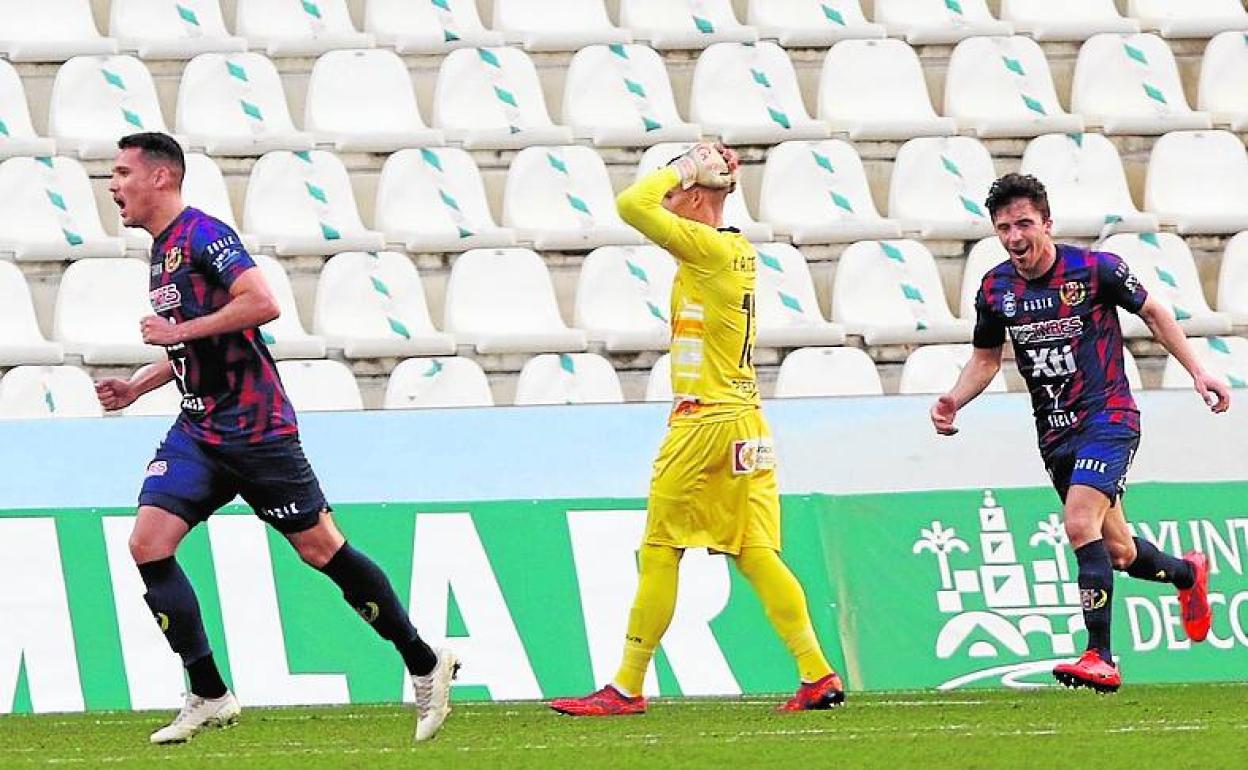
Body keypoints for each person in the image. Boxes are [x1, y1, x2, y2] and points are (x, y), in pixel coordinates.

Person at [96, 132, 457, 743]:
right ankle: (208, 692)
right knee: (147, 543)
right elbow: (197, 339)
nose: (113, 185)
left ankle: (424, 662)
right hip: (199, 426)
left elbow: (262, 304)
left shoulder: (204, 235)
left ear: (161, 177)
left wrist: (173, 333)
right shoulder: (161, 251)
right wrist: (142, 384)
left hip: (257, 428)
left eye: (123, 172)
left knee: (321, 550)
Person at [550, 142, 844, 716]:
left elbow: (631, 204)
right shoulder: (731, 253)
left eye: (677, 192)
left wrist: (683, 164)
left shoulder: (707, 247)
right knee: (756, 551)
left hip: (704, 420)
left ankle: (626, 687)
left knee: (661, 547)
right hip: (746, 418)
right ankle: (816, 672)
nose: (670, 200)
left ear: (693, 195)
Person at [930, 173, 1229, 692]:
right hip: (1054, 432)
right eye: (1003, 228)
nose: (1014, 236)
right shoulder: (995, 287)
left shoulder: (1095, 270)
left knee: (1077, 522)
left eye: (1023, 223)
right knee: (1118, 552)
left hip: (1108, 417)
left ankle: (1100, 656)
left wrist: (1198, 371)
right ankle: (1187, 574)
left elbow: (1155, 313)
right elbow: (985, 358)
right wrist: (955, 399)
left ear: (1047, 222)